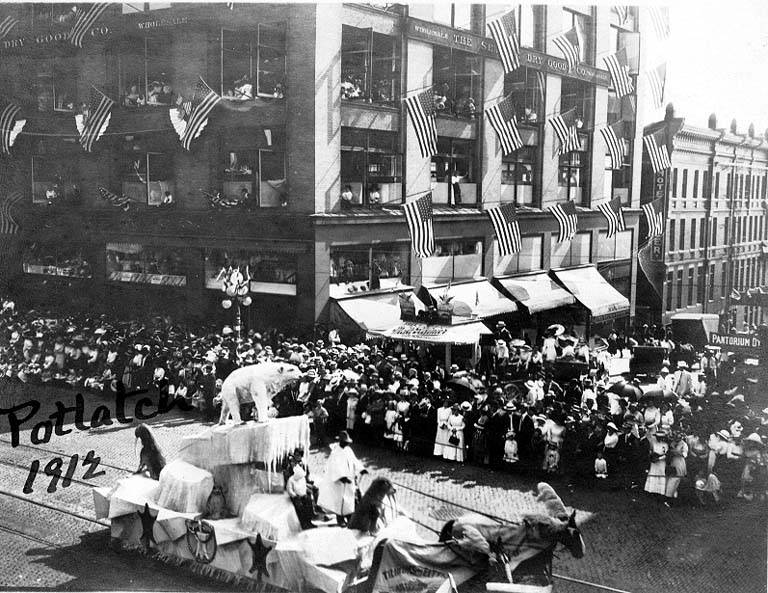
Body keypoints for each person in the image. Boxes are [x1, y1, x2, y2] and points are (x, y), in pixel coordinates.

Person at [317, 430, 367, 526]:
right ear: (340, 441)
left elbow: (354, 460)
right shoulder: (336, 452)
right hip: (339, 482)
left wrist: (361, 468)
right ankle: (340, 519)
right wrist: (342, 477)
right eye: (345, 442)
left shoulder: (348, 450)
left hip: (349, 480)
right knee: (339, 501)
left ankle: (349, 516)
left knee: (349, 499)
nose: (346, 444)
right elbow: (334, 467)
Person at [286, 464, 316, 530]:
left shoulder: (302, 479)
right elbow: (289, 490)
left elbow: (304, 487)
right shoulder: (291, 480)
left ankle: (309, 522)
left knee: (308, 505)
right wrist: (294, 495)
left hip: (303, 496)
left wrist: (307, 492)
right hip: (296, 497)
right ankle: (304, 524)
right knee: (300, 508)